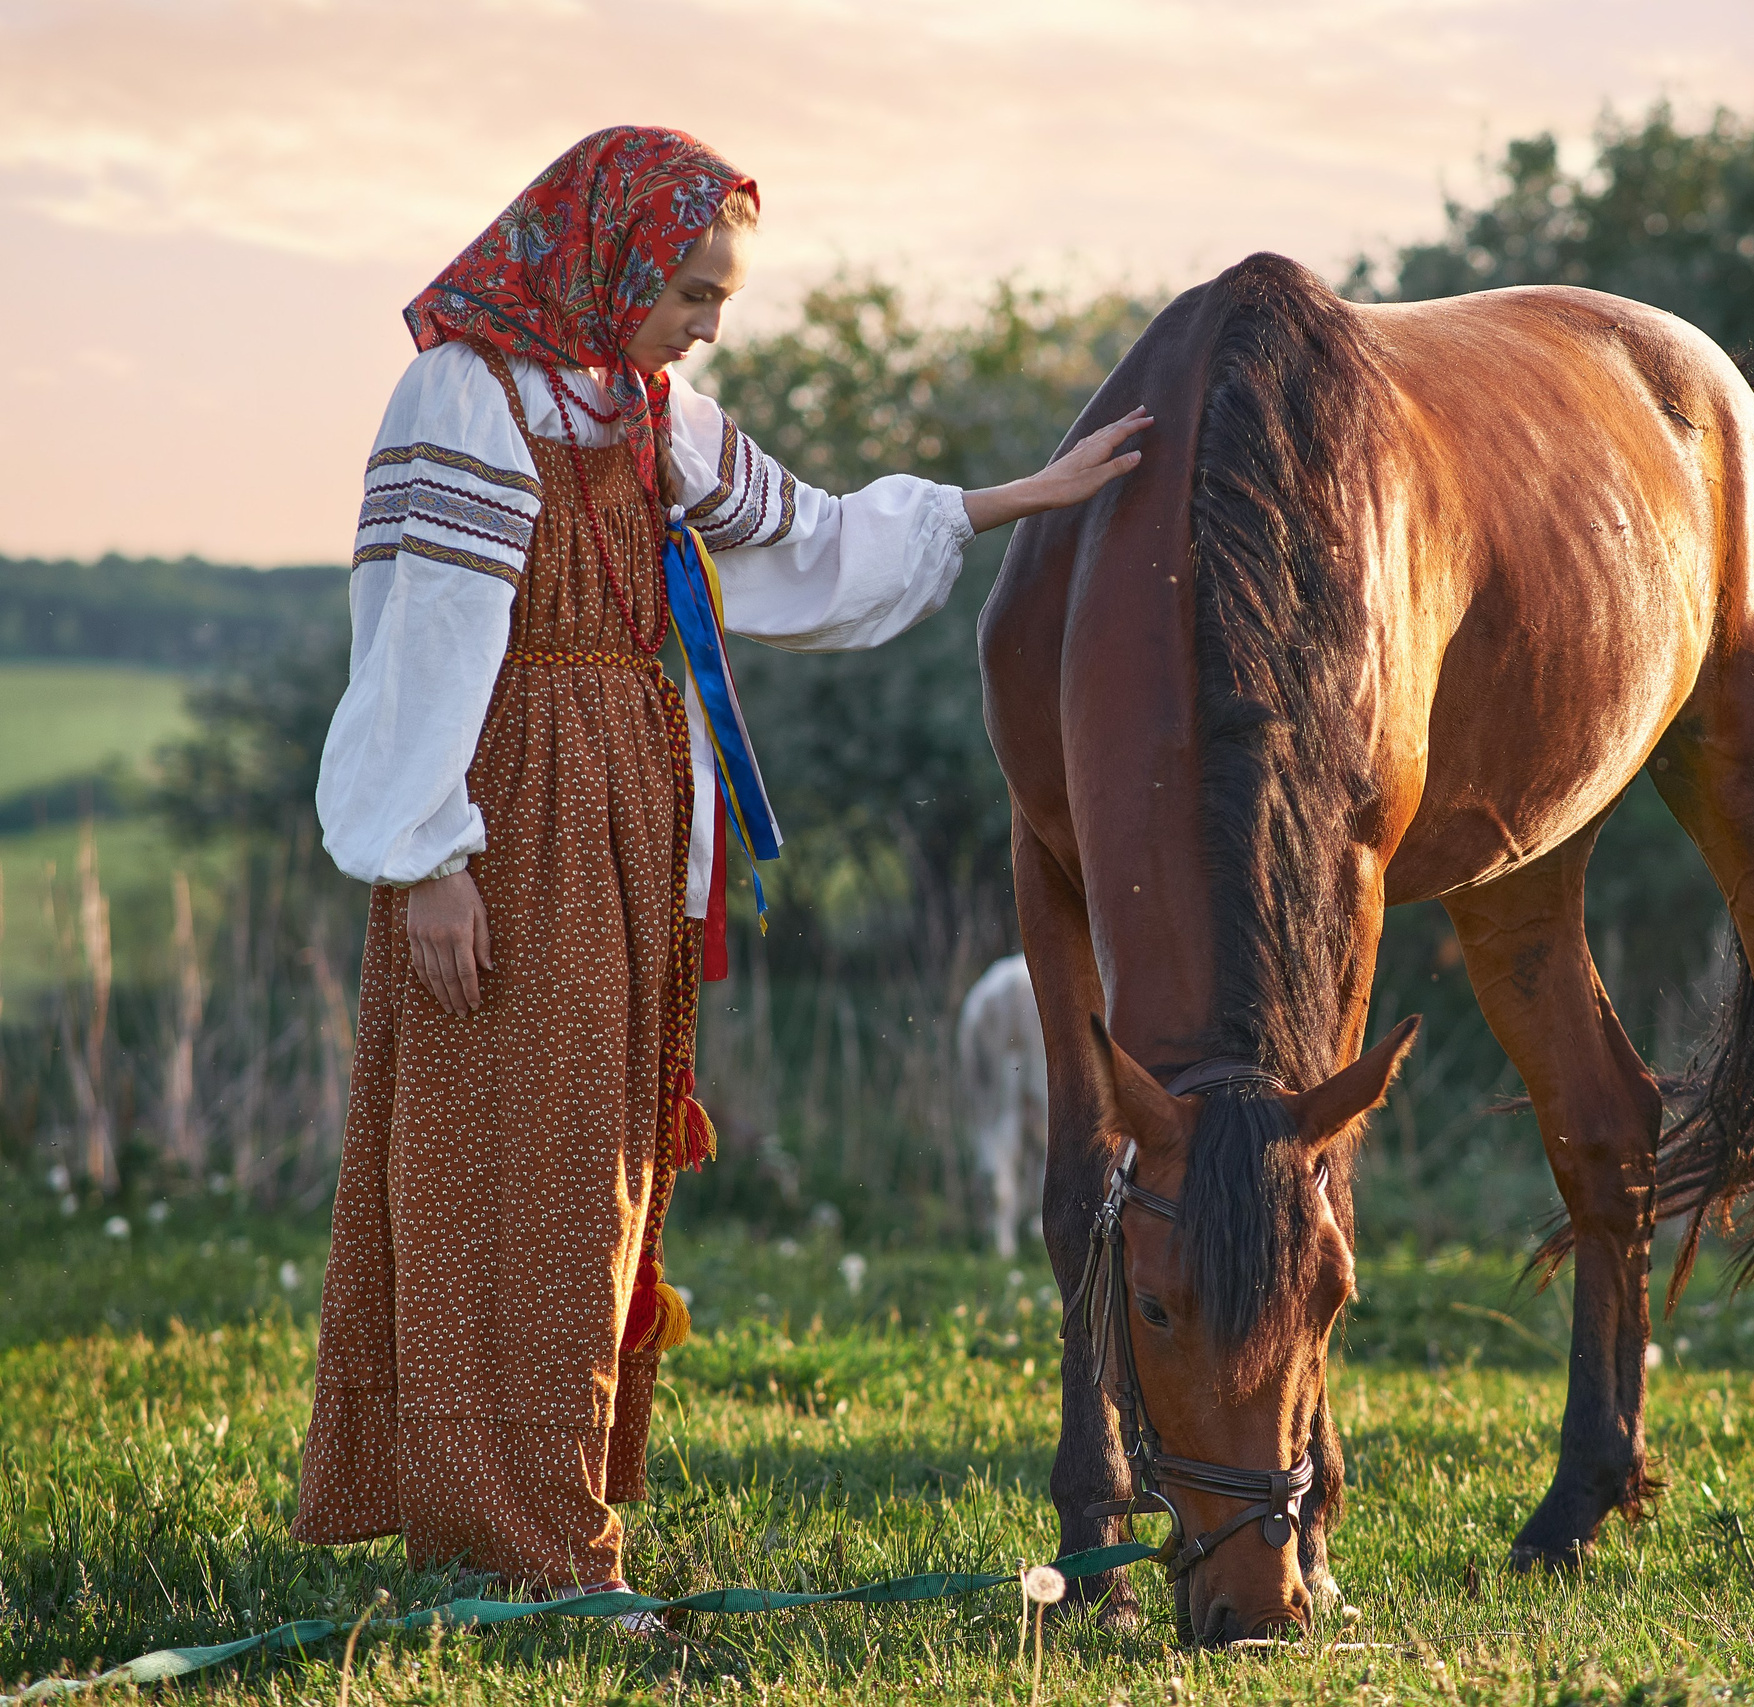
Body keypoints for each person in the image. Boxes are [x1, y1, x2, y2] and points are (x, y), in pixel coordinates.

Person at [290, 125, 1148, 1599]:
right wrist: (427, 857)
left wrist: (1020, 499)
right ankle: (526, 1543)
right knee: (519, 1149)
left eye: (718, 300)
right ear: (612, 256)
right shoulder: (464, 392)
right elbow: (418, 637)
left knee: (607, 1155)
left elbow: (806, 542)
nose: (704, 324)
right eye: (690, 290)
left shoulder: (646, 410)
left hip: (629, 801)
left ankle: (545, 1516)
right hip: (507, 807)